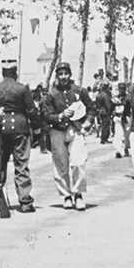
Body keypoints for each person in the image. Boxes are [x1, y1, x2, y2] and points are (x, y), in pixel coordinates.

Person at [0, 59, 38, 218]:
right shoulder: (23, 89)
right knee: (21, 164)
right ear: (15, 72)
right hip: (21, 130)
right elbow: (32, 111)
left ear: (3, 73)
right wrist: (37, 129)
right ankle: (25, 200)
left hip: (1, 130)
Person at [39, 65, 91, 209]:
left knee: (78, 162)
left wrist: (88, 121)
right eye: (60, 74)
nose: (63, 77)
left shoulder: (80, 91)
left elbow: (92, 109)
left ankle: (78, 194)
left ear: (70, 74)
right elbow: (46, 115)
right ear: (57, 76)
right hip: (57, 131)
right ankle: (66, 196)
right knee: (60, 164)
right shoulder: (51, 95)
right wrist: (59, 116)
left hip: (76, 129)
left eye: (66, 74)